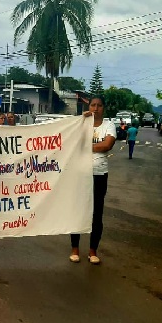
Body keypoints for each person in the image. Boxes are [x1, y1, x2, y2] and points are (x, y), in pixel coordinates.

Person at [70, 96, 116, 264]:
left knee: (97, 213)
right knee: (77, 211)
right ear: (88, 107)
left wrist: (85, 147)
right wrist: (81, 119)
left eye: (99, 106)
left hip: (99, 174)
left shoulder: (109, 125)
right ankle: (75, 249)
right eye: (93, 105)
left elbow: (107, 145)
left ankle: (92, 251)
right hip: (80, 174)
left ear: (104, 108)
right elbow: (71, 142)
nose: (96, 109)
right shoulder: (82, 124)